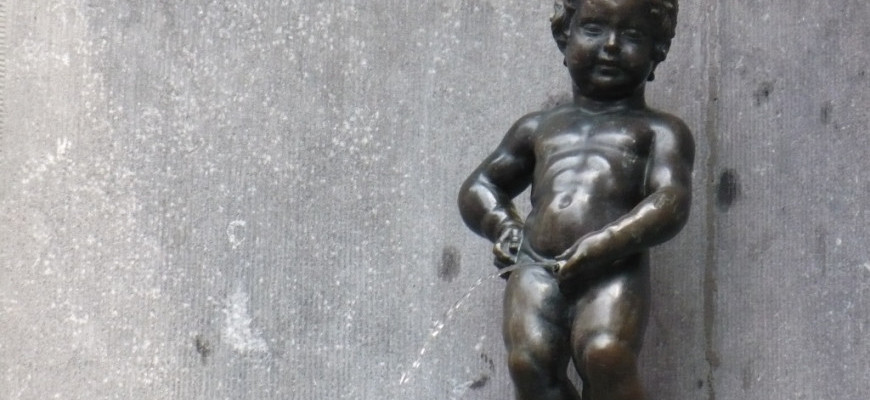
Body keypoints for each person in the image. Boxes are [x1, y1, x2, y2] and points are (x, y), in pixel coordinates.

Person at [457, 0, 693, 399]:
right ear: (564, 37)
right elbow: (480, 187)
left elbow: (671, 201)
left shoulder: (659, 131)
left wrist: (607, 243)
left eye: (632, 35)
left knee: (605, 354)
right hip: (536, 264)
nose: (611, 46)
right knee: (529, 363)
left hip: (614, 266)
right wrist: (503, 226)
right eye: (594, 29)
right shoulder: (538, 127)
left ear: (658, 50)